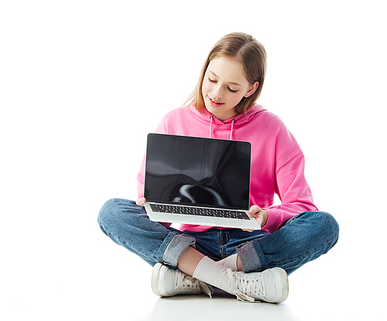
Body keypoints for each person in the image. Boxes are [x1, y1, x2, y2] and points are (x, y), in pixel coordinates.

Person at [98, 32, 339, 303]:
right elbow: (154, 214)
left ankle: (196, 278)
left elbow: (303, 206)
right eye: (212, 80)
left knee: (325, 225)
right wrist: (152, 206)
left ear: (250, 88)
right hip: (189, 245)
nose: (215, 93)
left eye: (231, 88)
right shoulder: (173, 121)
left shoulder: (272, 128)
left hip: (248, 248)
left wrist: (266, 216)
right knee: (111, 212)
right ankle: (235, 282)